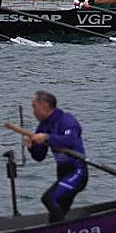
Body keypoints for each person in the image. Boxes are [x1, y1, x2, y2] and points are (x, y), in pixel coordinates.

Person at [22, 91, 87, 222]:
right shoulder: (43, 126)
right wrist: (32, 147)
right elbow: (39, 157)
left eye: (34, 106)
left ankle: (64, 232)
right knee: (57, 214)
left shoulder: (67, 120)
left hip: (77, 172)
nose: (33, 111)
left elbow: (71, 141)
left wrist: (47, 138)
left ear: (45, 106)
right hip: (62, 173)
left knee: (49, 198)